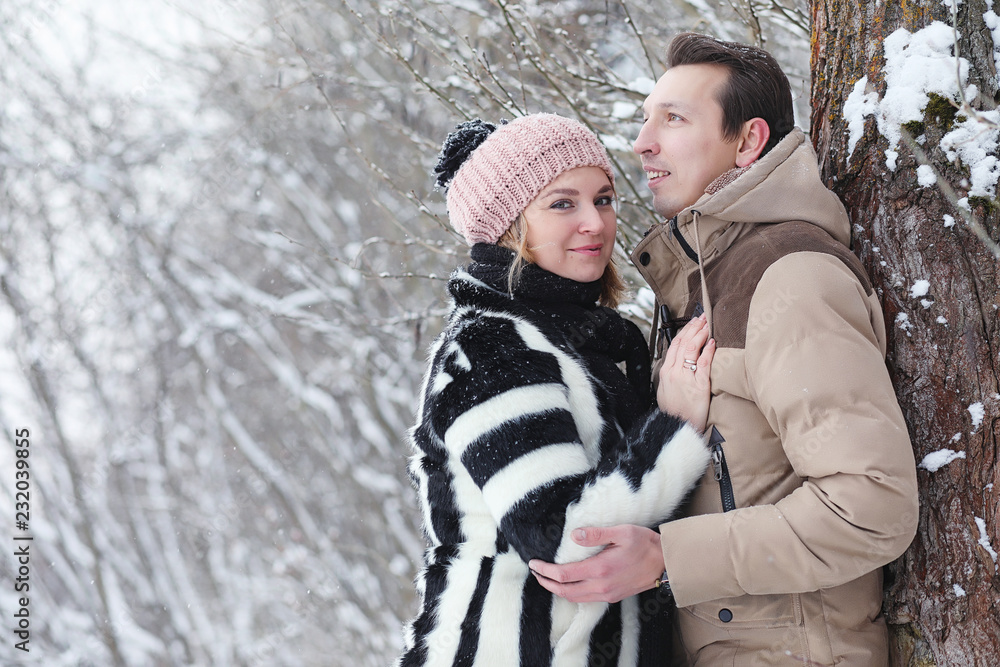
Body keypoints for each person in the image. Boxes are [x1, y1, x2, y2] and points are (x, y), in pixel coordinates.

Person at [528, 33, 920, 665]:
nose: (642, 143)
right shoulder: (699, 278)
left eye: (673, 119)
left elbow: (873, 504)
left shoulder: (788, 277)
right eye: (646, 118)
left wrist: (668, 560)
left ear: (748, 142)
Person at [397, 113, 717, 667]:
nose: (595, 222)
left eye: (605, 199)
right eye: (563, 203)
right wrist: (675, 428)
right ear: (509, 225)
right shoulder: (492, 347)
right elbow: (567, 538)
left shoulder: (588, 338)